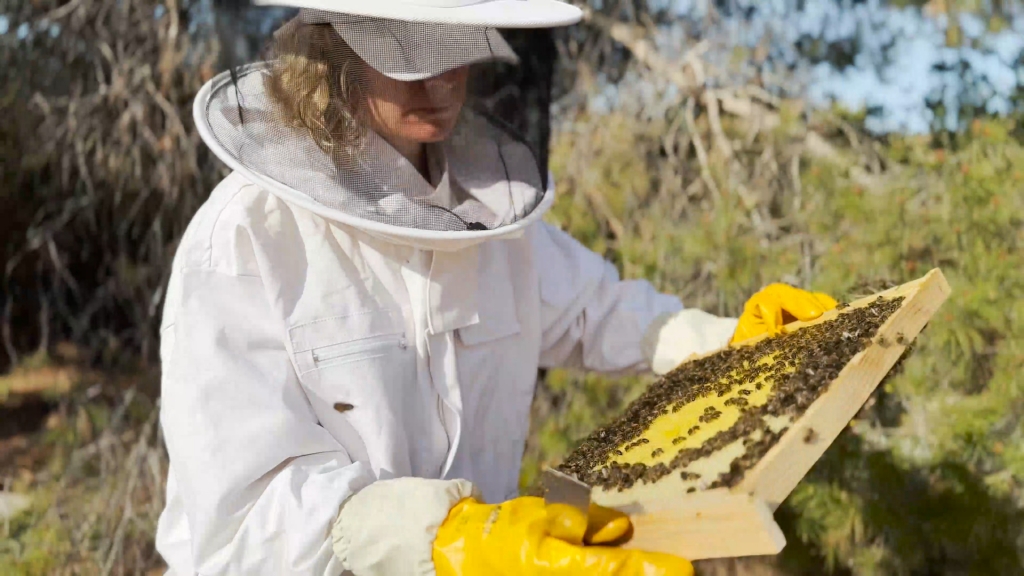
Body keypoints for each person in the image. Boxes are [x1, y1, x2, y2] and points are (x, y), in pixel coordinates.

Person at [155, 0, 838, 574]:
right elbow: (243, 518)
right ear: (331, 59)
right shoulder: (246, 241)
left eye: (455, 52)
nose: (442, 82)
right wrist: (447, 537)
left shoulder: (488, 218)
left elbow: (598, 311)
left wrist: (730, 341)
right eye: (410, 57)